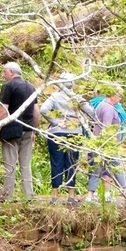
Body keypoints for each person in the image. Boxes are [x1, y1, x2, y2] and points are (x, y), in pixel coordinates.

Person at [41, 73, 95, 205]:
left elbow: (43, 109)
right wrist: (81, 121)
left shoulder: (54, 97)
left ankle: (55, 196)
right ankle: (71, 196)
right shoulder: (76, 98)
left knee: (56, 163)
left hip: (56, 133)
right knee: (72, 163)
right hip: (74, 133)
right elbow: (91, 111)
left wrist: (55, 122)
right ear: (72, 84)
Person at [85, 89, 126, 206]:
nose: (120, 99)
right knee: (118, 170)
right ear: (113, 95)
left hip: (98, 145)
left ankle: (89, 198)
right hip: (107, 147)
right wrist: (111, 145)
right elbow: (106, 128)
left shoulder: (101, 105)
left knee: (96, 170)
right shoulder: (108, 109)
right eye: (119, 96)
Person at [0, 62, 40, 202]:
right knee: (25, 164)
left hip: (11, 130)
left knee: (10, 163)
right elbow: (36, 112)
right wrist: (34, 131)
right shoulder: (31, 87)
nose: (3, 75)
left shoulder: (8, 86)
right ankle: (28, 196)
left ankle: (7, 195)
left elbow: (3, 111)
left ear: (11, 72)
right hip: (27, 129)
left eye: (4, 72)